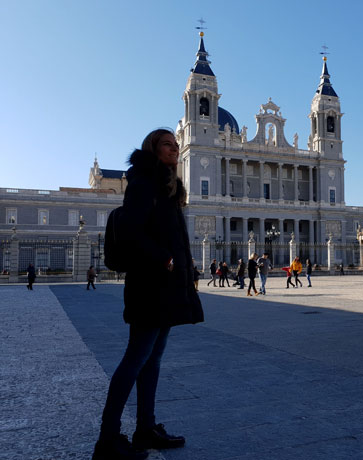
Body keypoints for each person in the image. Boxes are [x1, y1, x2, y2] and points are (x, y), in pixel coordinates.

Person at [92, 129, 203, 460]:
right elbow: (129, 232)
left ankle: (145, 428)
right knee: (135, 359)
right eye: (168, 143)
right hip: (149, 286)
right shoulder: (143, 184)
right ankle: (108, 438)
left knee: (152, 360)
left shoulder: (167, 188)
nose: (175, 148)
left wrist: (184, 266)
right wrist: (164, 258)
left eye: (175, 143)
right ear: (153, 149)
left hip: (166, 288)